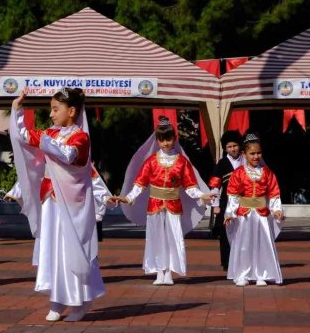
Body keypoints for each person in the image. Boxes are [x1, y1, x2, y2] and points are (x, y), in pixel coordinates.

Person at [9, 87, 103, 322]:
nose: (51, 114)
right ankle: (57, 300)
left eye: (55, 109)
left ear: (71, 111)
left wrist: (44, 139)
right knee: (53, 249)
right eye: (50, 109)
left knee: (72, 249)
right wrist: (17, 109)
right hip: (50, 200)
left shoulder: (80, 137)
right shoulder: (51, 133)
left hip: (71, 204)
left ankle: (79, 301)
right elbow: (23, 136)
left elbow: (68, 156)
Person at [113, 117, 213, 285]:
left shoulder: (182, 161)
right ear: (157, 140)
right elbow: (140, 183)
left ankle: (170, 272)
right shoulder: (151, 161)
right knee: (156, 238)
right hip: (155, 205)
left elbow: (189, 186)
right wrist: (129, 197)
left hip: (174, 205)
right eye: (162, 139)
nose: (166, 143)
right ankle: (159, 271)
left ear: (174, 138)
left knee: (173, 237)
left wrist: (202, 195)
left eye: (169, 139)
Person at [224, 133, 285, 286]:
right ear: (244, 154)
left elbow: (274, 194)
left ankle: (261, 274)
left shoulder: (268, 173)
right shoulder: (238, 173)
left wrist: (276, 210)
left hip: (261, 215)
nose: (256, 156)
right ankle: (243, 274)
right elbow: (233, 195)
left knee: (262, 244)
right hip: (244, 215)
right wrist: (230, 213)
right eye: (252, 153)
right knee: (244, 244)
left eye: (259, 153)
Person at [208, 130, 244, 271]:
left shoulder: (246, 160)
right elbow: (214, 186)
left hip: (244, 201)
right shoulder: (222, 163)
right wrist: (215, 205)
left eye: (235, 145)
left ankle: (243, 260)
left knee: (243, 231)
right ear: (225, 148)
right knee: (225, 233)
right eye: (229, 146)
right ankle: (228, 263)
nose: (233, 149)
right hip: (226, 202)